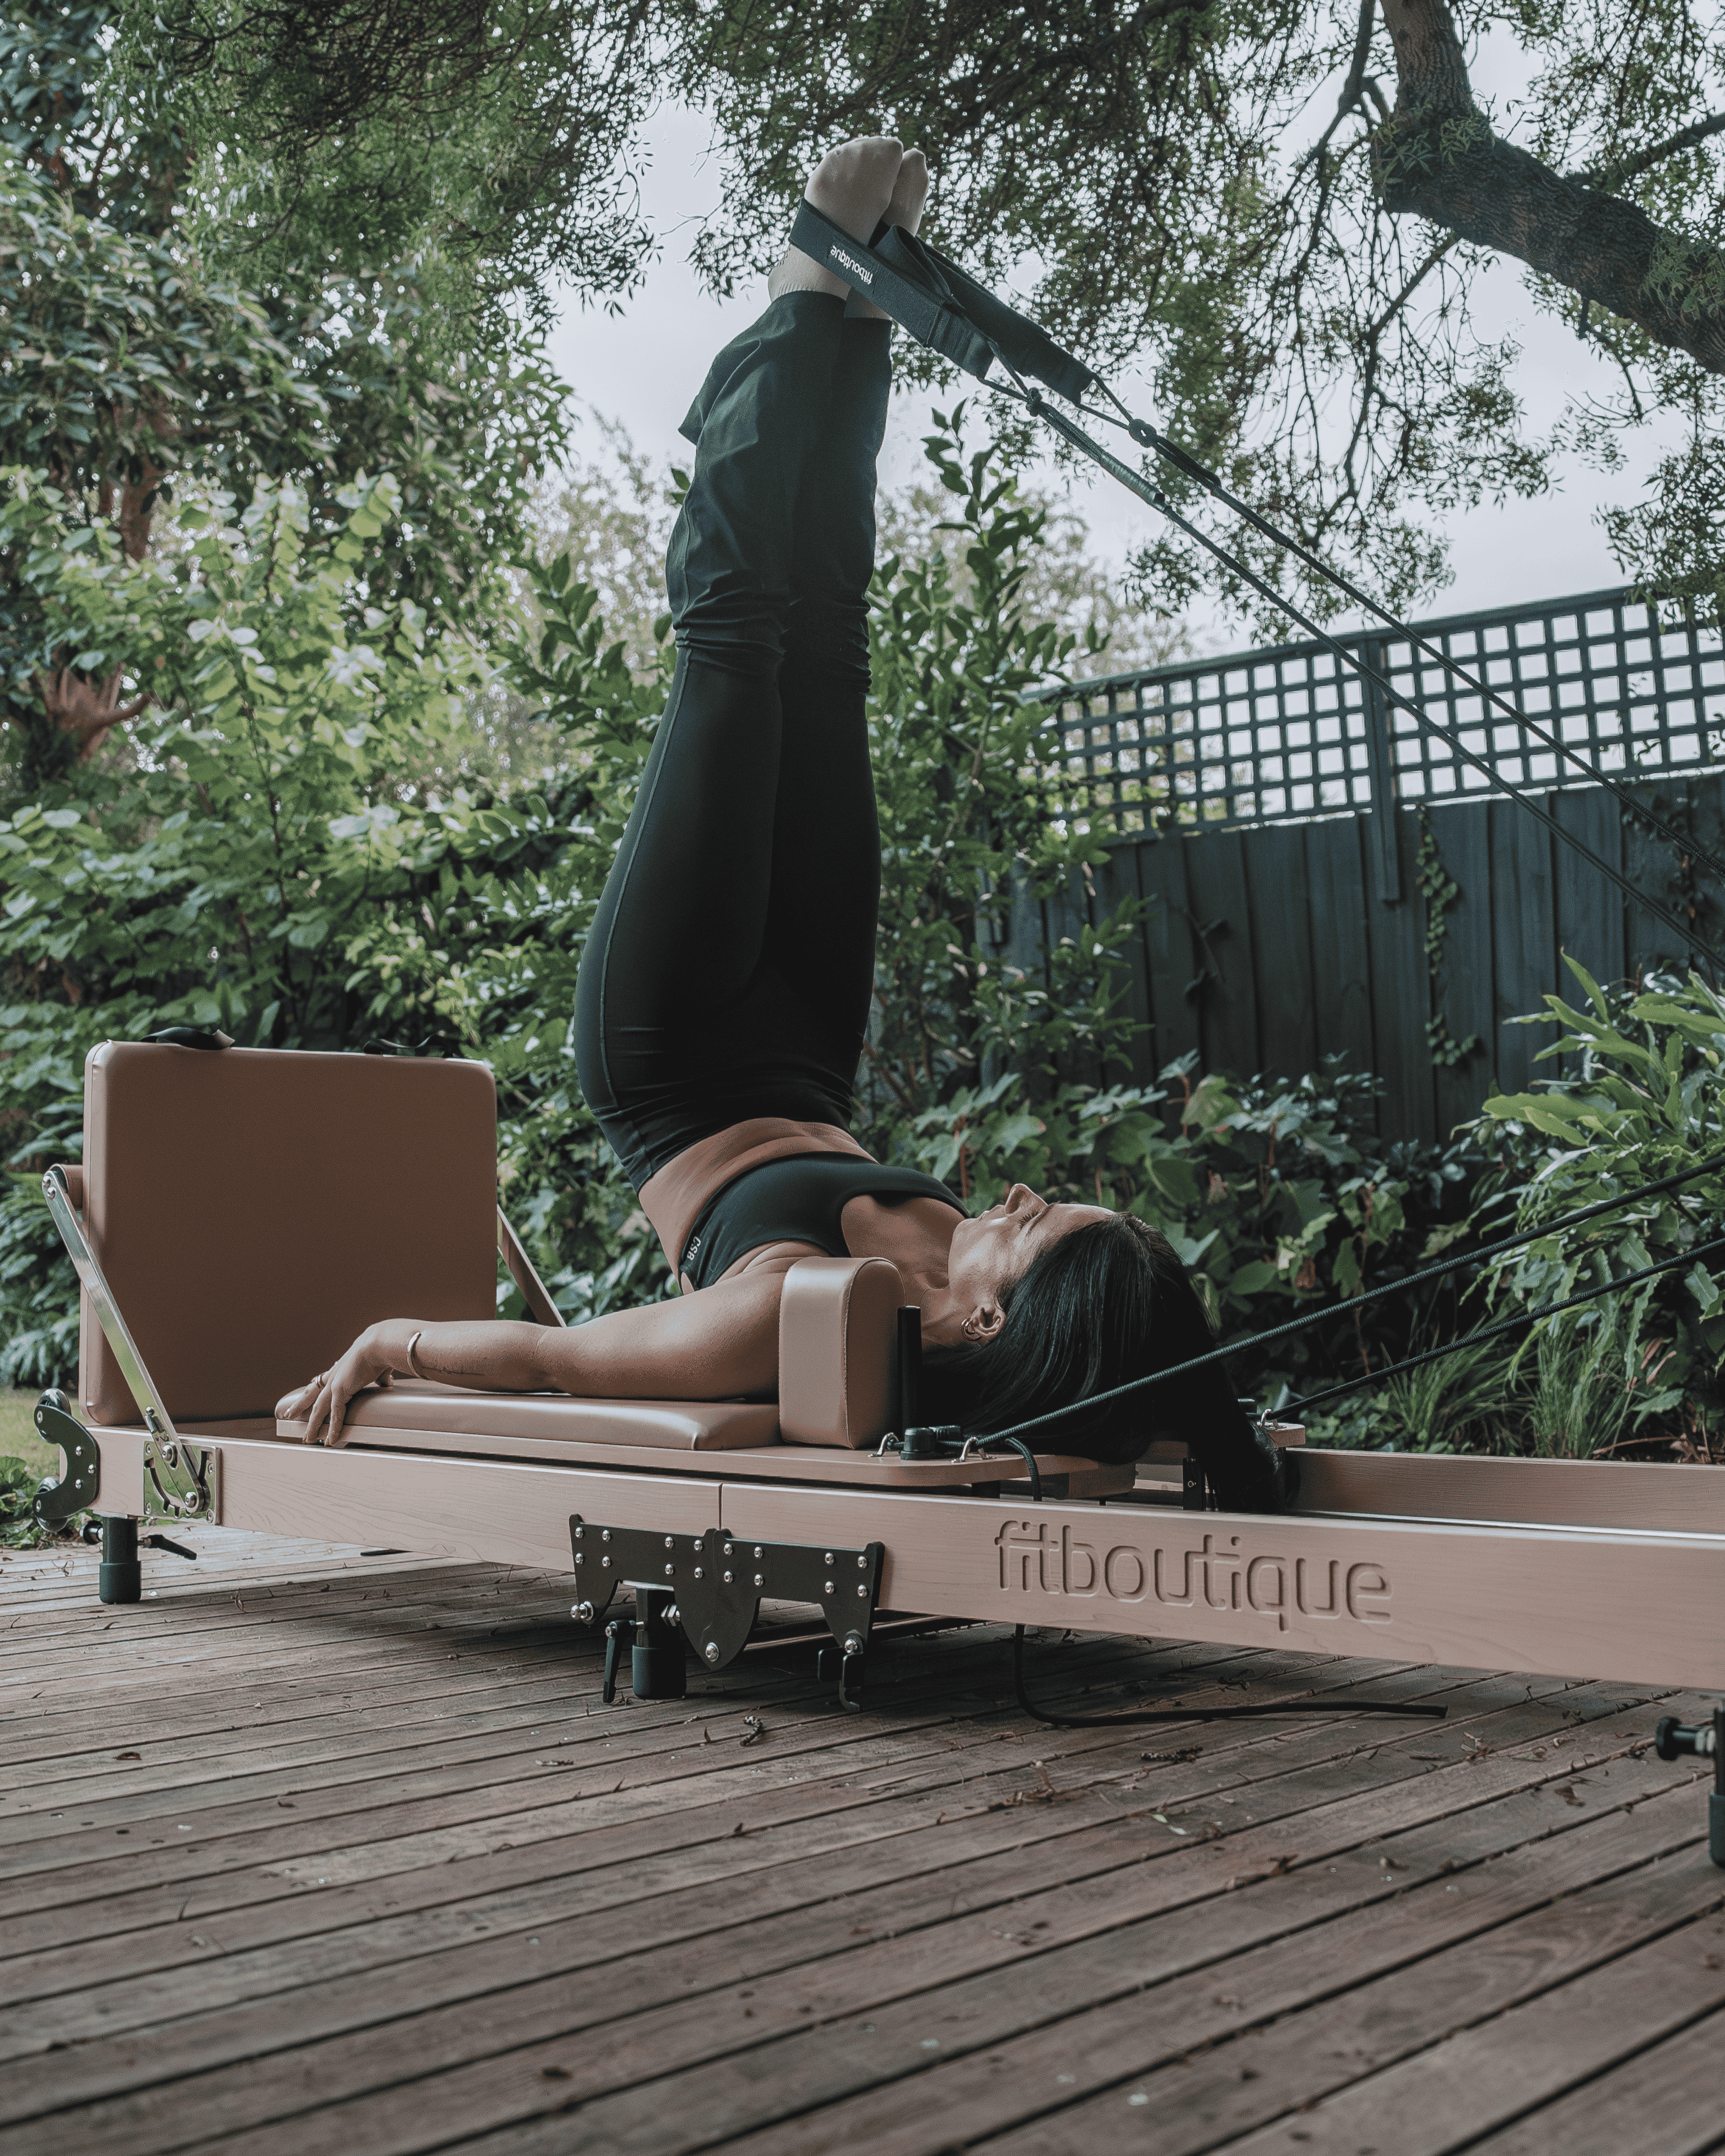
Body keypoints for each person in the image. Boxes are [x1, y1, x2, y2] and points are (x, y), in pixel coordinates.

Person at [277, 137, 1293, 1512]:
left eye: (1035, 1229)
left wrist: (380, 1345)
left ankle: (807, 279)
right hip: (806, 1050)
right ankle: (856, 324)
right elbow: (1153, 1378)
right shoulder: (993, 1314)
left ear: (989, 1323)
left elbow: (554, 1357)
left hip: (674, 1057)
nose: (1018, 1199)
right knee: (833, 663)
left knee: (735, 645)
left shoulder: (796, 1322)